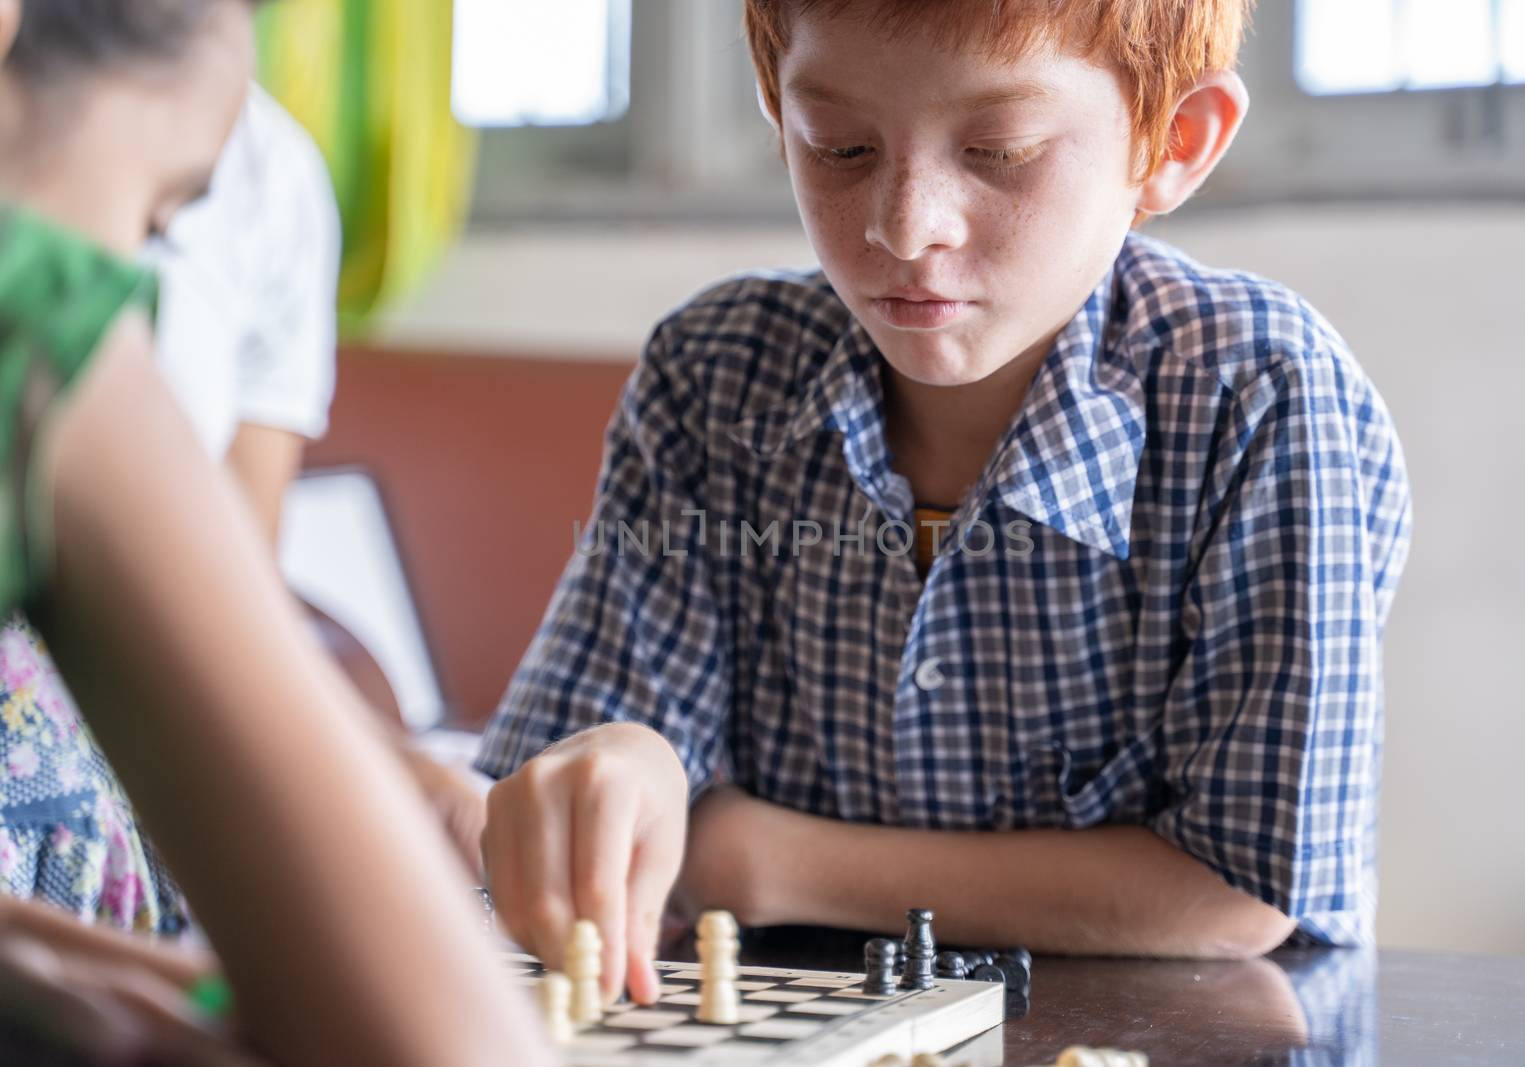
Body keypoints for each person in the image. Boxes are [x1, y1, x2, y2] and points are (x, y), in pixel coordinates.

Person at [476, 0, 1413, 1007]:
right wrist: (624, 759)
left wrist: (754, 856)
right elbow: (577, 769)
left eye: (999, 149)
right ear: (775, 111)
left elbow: (1235, 892)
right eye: (838, 147)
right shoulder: (714, 376)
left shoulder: (1256, 391)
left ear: (1171, 142)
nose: (903, 224)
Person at [0, 1, 550, 1063]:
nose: (142, 273)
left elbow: (227, 610)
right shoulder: (39, 322)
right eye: (162, 217)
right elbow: (452, 1042)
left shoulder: (266, 186)